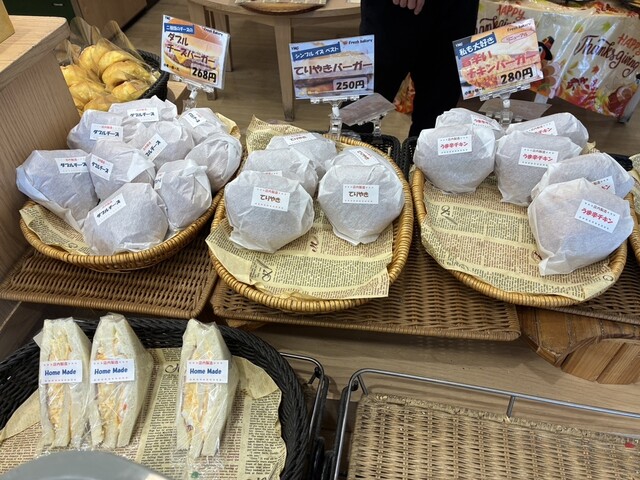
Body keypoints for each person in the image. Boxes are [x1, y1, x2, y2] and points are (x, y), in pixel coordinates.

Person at [360, 0, 480, 137]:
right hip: (392, 11)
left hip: (456, 11)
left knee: (436, 119)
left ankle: (419, 151)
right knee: (361, 109)